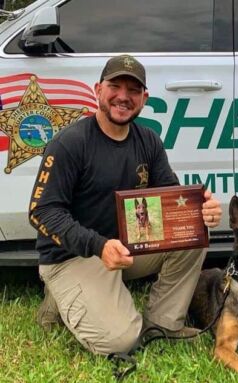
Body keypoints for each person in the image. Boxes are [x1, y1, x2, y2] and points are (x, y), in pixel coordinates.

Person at [28, 54, 222, 355]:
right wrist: (98, 246)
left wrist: (201, 209)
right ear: (97, 90)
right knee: (121, 342)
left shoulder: (149, 140)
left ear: (144, 98)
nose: (123, 96)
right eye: (115, 86)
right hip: (73, 256)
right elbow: (41, 212)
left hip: (125, 250)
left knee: (192, 233)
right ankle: (58, 296)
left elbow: (170, 196)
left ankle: (163, 325)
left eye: (133, 90)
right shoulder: (70, 143)